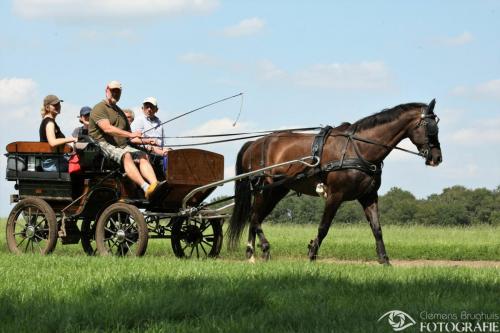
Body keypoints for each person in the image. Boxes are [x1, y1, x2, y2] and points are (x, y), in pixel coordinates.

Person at [88, 80, 164, 199]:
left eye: (118, 92)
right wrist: (131, 135)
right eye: (113, 91)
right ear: (106, 90)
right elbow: (107, 129)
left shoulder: (120, 112)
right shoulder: (99, 108)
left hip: (121, 145)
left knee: (142, 155)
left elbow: (131, 137)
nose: (115, 94)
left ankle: (155, 185)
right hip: (102, 144)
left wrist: (145, 140)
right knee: (127, 155)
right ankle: (145, 187)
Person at [39, 94, 77, 171]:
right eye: (54, 105)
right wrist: (72, 139)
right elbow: (52, 142)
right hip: (52, 163)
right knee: (80, 167)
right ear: (47, 107)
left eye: (58, 104)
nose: (58, 106)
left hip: (55, 160)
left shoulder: (49, 121)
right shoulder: (49, 122)